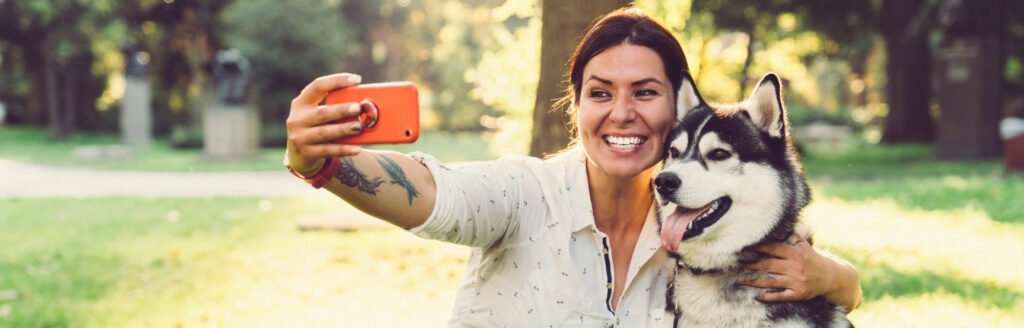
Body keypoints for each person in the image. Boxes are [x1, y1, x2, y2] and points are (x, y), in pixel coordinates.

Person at [284, 7, 861, 327]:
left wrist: (838, 278)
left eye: (645, 92)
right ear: (576, 104)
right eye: (600, 92)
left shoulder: (698, 237)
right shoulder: (523, 194)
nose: (622, 114)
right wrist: (324, 164)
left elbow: (826, 285)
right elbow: (436, 193)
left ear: (678, 110)